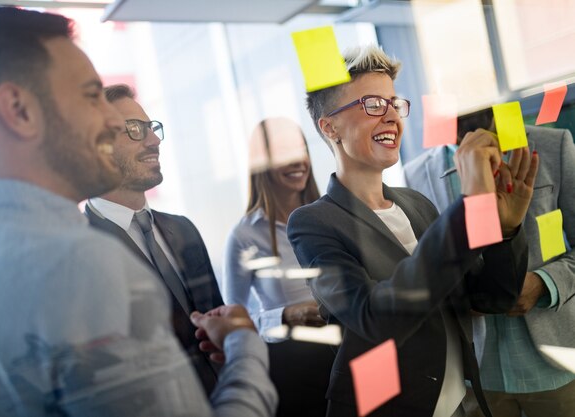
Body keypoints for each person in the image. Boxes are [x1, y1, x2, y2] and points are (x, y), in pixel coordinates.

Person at [0, 7, 276, 417]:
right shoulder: (81, 265)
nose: (109, 122)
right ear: (19, 110)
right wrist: (245, 348)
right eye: (90, 96)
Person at [287, 44, 538, 417]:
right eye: (373, 104)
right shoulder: (313, 223)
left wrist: (506, 229)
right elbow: (374, 317)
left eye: (394, 103)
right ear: (330, 127)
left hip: (459, 403)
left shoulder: (417, 203)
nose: (391, 116)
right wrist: (469, 213)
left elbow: (489, 299)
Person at [403, 109, 575, 417]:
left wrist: (544, 283)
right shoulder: (415, 175)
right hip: (475, 376)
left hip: (557, 363)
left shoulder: (554, 145)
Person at [85, 83, 224, 395]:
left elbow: (216, 317)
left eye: (152, 127)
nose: (154, 140)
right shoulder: (79, 252)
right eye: (135, 129)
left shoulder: (183, 229)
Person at [222, 117, 334, 417]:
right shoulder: (244, 235)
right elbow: (235, 322)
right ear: (261, 163)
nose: (297, 160)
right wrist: (285, 315)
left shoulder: (330, 216)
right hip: (295, 370)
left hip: (346, 352)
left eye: (300, 149)